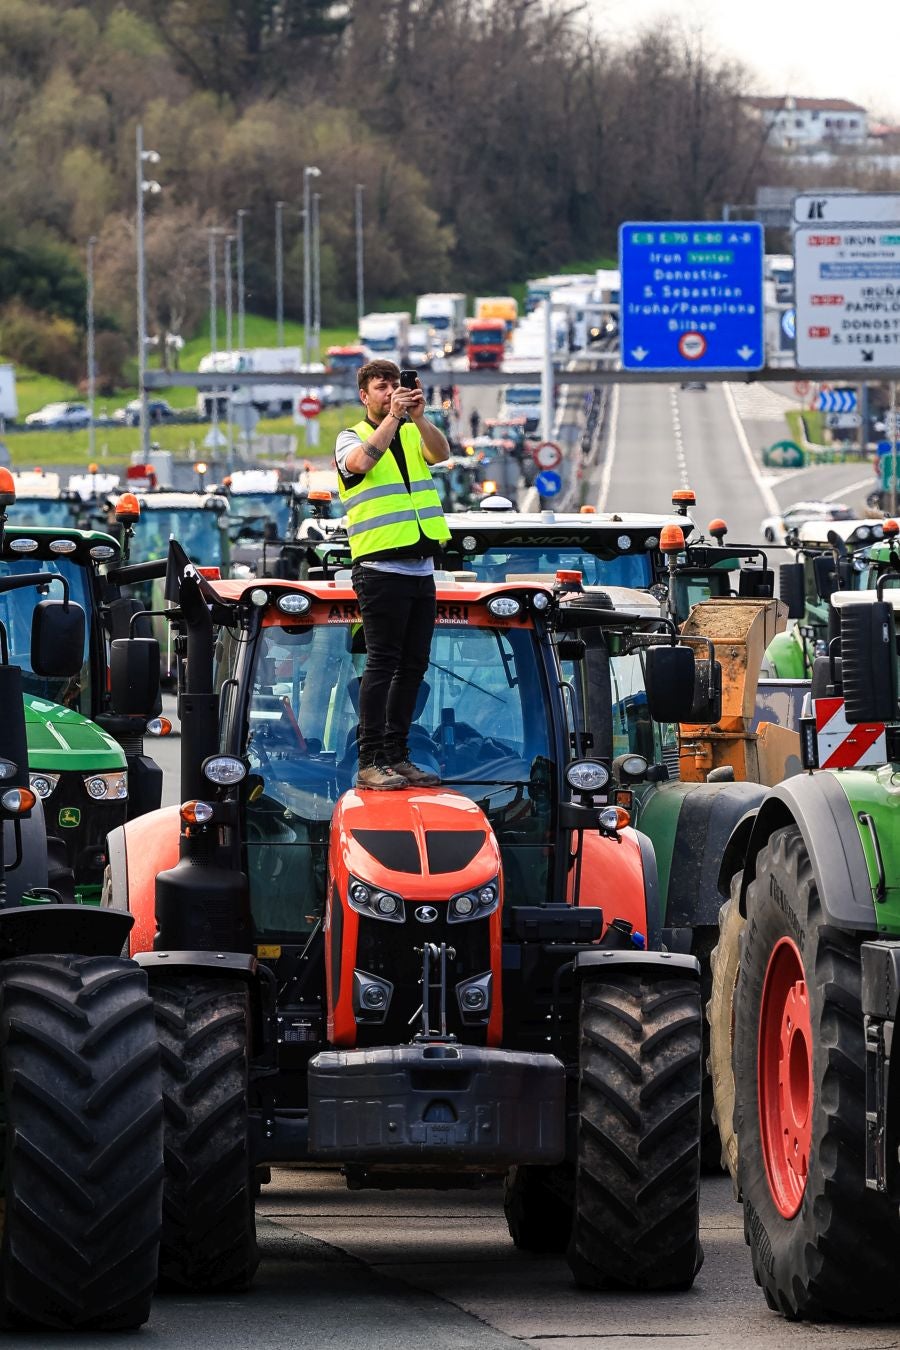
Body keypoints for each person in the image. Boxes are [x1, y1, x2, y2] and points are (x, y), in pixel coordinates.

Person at [334, 359, 451, 790]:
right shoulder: (353, 436)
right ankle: (370, 760)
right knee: (382, 663)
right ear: (364, 396)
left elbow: (442, 453)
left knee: (414, 665)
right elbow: (361, 463)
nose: (390, 394)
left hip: (420, 567)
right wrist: (395, 417)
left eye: (395, 386)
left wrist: (419, 418)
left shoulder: (409, 430)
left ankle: (397, 755)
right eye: (382, 388)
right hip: (379, 568)